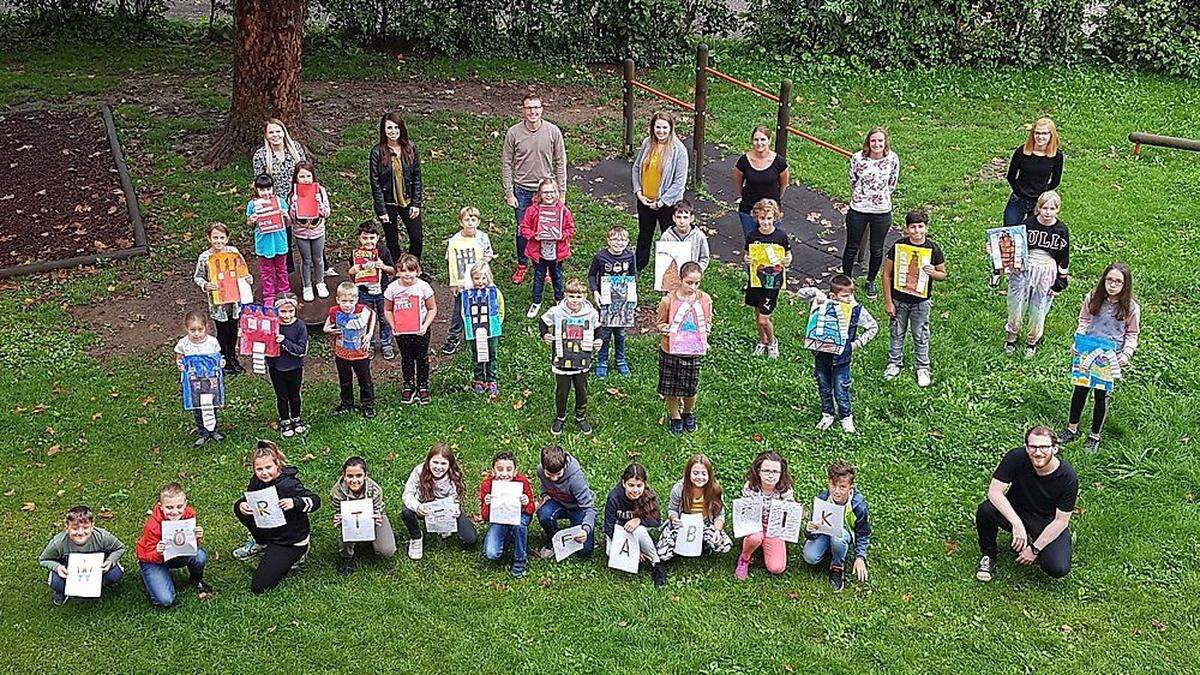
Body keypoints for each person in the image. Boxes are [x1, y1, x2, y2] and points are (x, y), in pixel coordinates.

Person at [975, 427, 1077, 582]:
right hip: (1017, 510)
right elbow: (994, 492)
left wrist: (1034, 549)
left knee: (1058, 568)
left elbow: (1061, 521)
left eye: (1044, 447)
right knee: (986, 510)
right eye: (1033, 447)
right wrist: (1016, 523)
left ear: (1055, 449)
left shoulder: (1068, 477)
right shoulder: (1016, 457)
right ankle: (988, 555)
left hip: (1046, 520)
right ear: (1027, 447)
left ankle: (1037, 543)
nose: (1038, 452)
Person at [1058, 263, 1140, 453]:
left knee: (1101, 395)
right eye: (1109, 280)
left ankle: (1094, 436)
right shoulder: (1092, 298)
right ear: (1104, 280)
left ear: (1125, 285)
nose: (1112, 284)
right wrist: (1078, 341)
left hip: (1109, 356)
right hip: (1087, 351)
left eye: (1118, 281)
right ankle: (1072, 428)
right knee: (1080, 390)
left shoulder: (1131, 308)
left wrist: (1126, 354)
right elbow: (1084, 320)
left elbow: (1132, 334)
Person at [233, 441, 321, 594]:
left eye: (268, 468)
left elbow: (315, 500)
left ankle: (299, 554)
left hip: (290, 540)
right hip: (270, 529)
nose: (264, 473)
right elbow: (251, 498)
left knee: (259, 587)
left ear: (277, 465)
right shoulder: (256, 481)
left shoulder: (289, 484)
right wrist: (243, 505)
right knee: (238, 507)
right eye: (259, 469)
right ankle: (261, 544)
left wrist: (294, 502)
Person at [797, 274, 878, 434]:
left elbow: (873, 327)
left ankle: (846, 417)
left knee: (841, 387)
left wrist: (858, 343)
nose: (849, 298)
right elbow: (800, 294)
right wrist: (815, 292)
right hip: (821, 356)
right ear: (833, 295)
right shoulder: (821, 303)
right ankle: (827, 414)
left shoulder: (856, 310)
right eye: (845, 295)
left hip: (842, 359)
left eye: (851, 294)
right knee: (823, 384)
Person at [501, 92, 567, 284]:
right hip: (522, 189)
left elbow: (560, 162)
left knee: (547, 229)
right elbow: (506, 162)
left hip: (546, 191)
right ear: (523, 110)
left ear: (542, 109)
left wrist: (561, 192)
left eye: (536, 107)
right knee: (523, 230)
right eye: (529, 107)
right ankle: (522, 264)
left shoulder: (553, 131)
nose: (533, 111)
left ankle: (546, 266)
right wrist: (509, 191)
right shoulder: (514, 133)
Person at [881, 211, 947, 387]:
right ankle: (894, 362)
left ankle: (922, 366)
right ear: (906, 228)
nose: (917, 230)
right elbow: (886, 275)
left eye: (920, 226)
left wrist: (934, 273)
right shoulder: (898, 247)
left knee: (920, 333)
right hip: (898, 299)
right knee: (897, 331)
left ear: (926, 227)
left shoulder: (933, 248)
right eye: (912, 227)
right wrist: (888, 301)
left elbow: (943, 274)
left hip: (921, 302)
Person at [996, 117, 1063, 288]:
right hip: (1019, 198)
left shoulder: (1056, 156)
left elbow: (1055, 181)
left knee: (1034, 236)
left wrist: (1042, 197)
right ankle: (1000, 269)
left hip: (1038, 202)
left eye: (1044, 134)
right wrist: (1019, 192)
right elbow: (1011, 175)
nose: (1040, 137)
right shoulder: (1022, 152)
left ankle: (1028, 272)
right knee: (1008, 234)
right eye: (1037, 133)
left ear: (1051, 135)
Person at [1005, 191, 1069, 358]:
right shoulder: (1028, 224)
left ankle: (1032, 341)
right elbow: (1015, 247)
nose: (1048, 212)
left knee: (1039, 306)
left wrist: (1060, 282)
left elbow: (1064, 257)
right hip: (1026, 267)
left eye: (1052, 208)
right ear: (1038, 208)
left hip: (1047, 269)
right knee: (1016, 302)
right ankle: (1011, 336)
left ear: (1058, 210)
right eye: (1045, 208)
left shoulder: (1061, 230)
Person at [842, 127, 899, 298]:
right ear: (868, 142)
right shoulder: (858, 158)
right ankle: (846, 280)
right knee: (852, 246)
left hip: (881, 210)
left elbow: (892, 182)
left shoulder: (892, 158)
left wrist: (880, 197)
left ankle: (870, 281)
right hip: (859, 208)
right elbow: (853, 180)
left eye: (880, 141)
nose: (877, 144)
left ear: (885, 143)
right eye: (873, 140)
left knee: (877, 248)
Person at [656, 261, 712, 434]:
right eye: (689, 282)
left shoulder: (705, 299)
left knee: (690, 387)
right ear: (681, 279)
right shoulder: (668, 300)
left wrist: (706, 331)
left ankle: (688, 412)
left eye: (697, 283)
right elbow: (660, 322)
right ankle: (675, 416)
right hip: (671, 349)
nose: (693, 287)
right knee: (670, 386)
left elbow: (708, 321)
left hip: (693, 351)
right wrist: (664, 329)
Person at [135, 482, 212, 607]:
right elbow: (148, 554)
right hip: (153, 560)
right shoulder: (152, 526)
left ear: (185, 504)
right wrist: (157, 552)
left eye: (179, 506)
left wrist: (196, 537)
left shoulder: (189, 515)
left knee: (200, 555)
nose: (175, 512)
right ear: (161, 506)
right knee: (165, 600)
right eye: (169, 508)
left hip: (176, 553)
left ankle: (196, 580)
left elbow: (191, 546)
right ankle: (148, 574)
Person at [539, 278, 599, 436]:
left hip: (582, 358)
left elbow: (599, 329)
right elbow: (543, 322)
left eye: (578, 297)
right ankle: (560, 416)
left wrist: (598, 340)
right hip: (561, 359)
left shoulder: (591, 313)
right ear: (565, 295)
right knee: (562, 391)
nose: (575, 300)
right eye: (572, 296)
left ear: (585, 297)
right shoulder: (556, 311)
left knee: (582, 389)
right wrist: (545, 334)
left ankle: (581, 417)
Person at [631, 111, 689, 271]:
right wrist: (638, 193)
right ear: (652, 128)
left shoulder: (679, 150)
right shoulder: (647, 143)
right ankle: (639, 265)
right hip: (645, 200)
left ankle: (670, 271)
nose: (661, 131)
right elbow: (636, 167)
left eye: (664, 127)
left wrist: (662, 201)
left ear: (671, 129)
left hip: (667, 204)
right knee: (644, 234)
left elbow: (679, 182)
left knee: (669, 236)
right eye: (658, 127)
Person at [801, 462, 872, 593]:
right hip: (823, 534)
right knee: (810, 557)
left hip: (842, 535)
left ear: (850, 488)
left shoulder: (858, 506)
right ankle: (829, 549)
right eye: (833, 485)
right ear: (828, 483)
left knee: (838, 537)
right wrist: (809, 531)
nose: (837, 491)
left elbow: (863, 533)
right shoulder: (822, 499)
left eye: (842, 487)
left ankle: (837, 566)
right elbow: (813, 529)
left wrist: (860, 557)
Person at [401, 443, 477, 560]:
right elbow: (407, 494)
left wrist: (455, 509)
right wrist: (417, 507)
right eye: (435, 462)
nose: (438, 467)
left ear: (449, 465)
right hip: (423, 507)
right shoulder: (419, 471)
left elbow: (455, 498)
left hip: (444, 509)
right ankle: (416, 537)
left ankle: (443, 526)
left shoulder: (453, 477)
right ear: (428, 461)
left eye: (443, 463)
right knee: (406, 512)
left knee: (470, 538)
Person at [39, 505, 126, 606]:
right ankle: (61, 592)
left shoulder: (102, 537)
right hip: (69, 570)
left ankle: (98, 586)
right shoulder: (58, 543)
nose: (80, 533)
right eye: (74, 528)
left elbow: (120, 548)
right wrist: (58, 567)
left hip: (97, 568)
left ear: (92, 526)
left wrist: (110, 561)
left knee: (115, 574)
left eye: (85, 528)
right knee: (56, 582)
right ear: (67, 527)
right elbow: (43, 559)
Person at [252, 118, 307, 275]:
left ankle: (320, 266)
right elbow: (260, 183)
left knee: (308, 232)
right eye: (271, 132)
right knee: (285, 237)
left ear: (284, 132)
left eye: (278, 131)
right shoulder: (260, 155)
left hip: (298, 197)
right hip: (276, 202)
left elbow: (304, 172)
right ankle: (288, 272)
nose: (275, 135)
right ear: (266, 135)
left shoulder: (295, 148)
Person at [192, 223, 248, 375]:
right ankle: (222, 360)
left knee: (233, 330)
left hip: (234, 301)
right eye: (215, 237)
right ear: (209, 238)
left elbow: (242, 270)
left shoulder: (233, 252)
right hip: (218, 303)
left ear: (227, 238)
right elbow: (197, 276)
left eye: (222, 238)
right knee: (222, 332)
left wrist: (247, 279)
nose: (218, 241)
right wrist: (205, 284)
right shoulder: (205, 257)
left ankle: (233, 357)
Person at [369, 112, 425, 262]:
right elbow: (375, 183)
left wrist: (416, 203)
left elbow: (417, 177)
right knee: (392, 240)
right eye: (389, 128)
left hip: (407, 201)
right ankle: (396, 269)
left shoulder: (411, 148)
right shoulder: (377, 152)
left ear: (401, 129)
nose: (393, 131)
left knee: (417, 238)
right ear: (384, 130)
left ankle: (414, 267)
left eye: (396, 127)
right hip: (388, 203)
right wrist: (381, 209)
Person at [655, 454, 732, 562]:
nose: (699, 477)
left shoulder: (715, 490)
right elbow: (672, 509)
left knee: (724, 545)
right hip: (683, 523)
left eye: (703, 474)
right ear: (688, 474)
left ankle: (703, 544)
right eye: (695, 473)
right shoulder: (679, 489)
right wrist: (674, 519)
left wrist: (717, 531)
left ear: (709, 475)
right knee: (662, 554)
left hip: (705, 523)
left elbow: (720, 515)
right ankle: (680, 545)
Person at [383, 253, 437, 405]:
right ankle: (408, 385)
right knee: (406, 357)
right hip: (402, 331)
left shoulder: (423, 287)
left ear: (418, 272)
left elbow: (432, 308)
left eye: (411, 271)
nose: (407, 274)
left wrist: (425, 325)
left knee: (422, 357)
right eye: (404, 270)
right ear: (398, 271)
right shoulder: (392, 288)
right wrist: (393, 326)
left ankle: (423, 385)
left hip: (421, 329)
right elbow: (387, 309)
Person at [441, 206, 495, 355]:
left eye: (473, 219)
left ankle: (480, 333)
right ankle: (454, 337)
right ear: (461, 222)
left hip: (479, 280)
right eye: (467, 220)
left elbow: (489, 254)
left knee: (480, 306)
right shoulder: (455, 241)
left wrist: (483, 261)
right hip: (462, 282)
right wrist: (453, 282)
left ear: (478, 221)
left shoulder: (482, 237)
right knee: (459, 310)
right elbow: (451, 262)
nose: (470, 223)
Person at [330, 456, 397, 576]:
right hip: (350, 519)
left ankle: (373, 541)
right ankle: (346, 557)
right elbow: (337, 511)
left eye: (359, 476)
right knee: (347, 528)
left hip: (372, 517)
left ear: (365, 476)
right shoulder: (336, 492)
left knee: (387, 550)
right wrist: (338, 519)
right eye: (349, 476)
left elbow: (377, 510)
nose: (354, 480)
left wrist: (376, 518)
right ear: (344, 476)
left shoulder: (375, 490)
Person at [603, 463, 667, 588]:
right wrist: (634, 551)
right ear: (623, 483)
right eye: (631, 485)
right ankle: (636, 555)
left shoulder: (647, 496)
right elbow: (608, 527)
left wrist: (638, 520)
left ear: (644, 484)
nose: (635, 490)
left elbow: (656, 521)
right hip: (619, 532)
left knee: (639, 531)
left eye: (639, 486)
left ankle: (656, 564)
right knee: (610, 552)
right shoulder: (614, 497)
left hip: (638, 530)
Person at [520, 178, 575, 318]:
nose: (549, 195)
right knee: (538, 277)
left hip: (557, 252)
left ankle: (559, 300)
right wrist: (534, 235)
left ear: (557, 193)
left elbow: (570, 228)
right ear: (539, 194)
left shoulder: (563, 210)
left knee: (557, 276)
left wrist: (562, 235)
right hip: (538, 252)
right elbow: (524, 228)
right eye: (545, 192)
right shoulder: (532, 210)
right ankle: (536, 302)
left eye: (552, 192)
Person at [734, 451, 795, 580]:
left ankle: (765, 548)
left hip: (774, 527)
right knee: (755, 538)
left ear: (781, 473)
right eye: (766, 470)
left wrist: (792, 512)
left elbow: (790, 511)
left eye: (775, 472)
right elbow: (745, 512)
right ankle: (744, 558)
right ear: (758, 470)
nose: (770, 475)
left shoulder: (785, 489)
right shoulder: (751, 487)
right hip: (754, 524)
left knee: (776, 568)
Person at [744, 198, 792, 358]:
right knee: (757, 313)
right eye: (762, 218)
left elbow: (787, 254)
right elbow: (747, 254)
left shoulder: (781, 236)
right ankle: (762, 340)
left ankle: (772, 342)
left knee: (764, 319)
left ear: (775, 218)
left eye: (769, 218)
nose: (765, 222)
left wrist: (787, 260)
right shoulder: (752, 236)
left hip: (772, 283)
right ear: (757, 217)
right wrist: (747, 259)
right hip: (756, 281)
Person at [587, 225, 636, 378]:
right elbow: (591, 275)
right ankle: (602, 361)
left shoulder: (630, 256)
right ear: (608, 241)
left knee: (620, 333)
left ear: (627, 241)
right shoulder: (600, 256)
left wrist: (633, 295)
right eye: (614, 239)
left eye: (622, 240)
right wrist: (595, 292)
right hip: (606, 300)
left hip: (622, 300)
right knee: (605, 332)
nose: (618, 243)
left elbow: (633, 275)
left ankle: (620, 360)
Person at [323, 281, 376, 418]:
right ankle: (346, 403)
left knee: (365, 380)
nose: (347, 304)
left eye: (351, 301)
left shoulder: (363, 310)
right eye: (344, 301)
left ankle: (368, 405)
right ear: (338, 300)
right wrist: (328, 329)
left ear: (356, 300)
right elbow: (326, 326)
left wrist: (370, 334)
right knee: (344, 380)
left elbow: (373, 314)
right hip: (342, 353)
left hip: (360, 353)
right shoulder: (334, 311)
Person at [480, 451, 537, 578]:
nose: (505, 474)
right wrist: (487, 504)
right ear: (493, 471)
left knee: (519, 525)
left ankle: (520, 559)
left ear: (515, 471)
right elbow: (484, 517)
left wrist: (526, 502)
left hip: (520, 515)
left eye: (509, 469)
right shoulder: (487, 485)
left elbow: (531, 509)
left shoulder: (521, 481)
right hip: (499, 518)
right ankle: (508, 536)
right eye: (500, 469)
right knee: (491, 553)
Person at [535, 445, 596, 560]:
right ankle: (553, 538)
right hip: (558, 502)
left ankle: (581, 528)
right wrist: (545, 495)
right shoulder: (540, 471)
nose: (553, 479)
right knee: (544, 514)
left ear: (564, 466)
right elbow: (544, 485)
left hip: (578, 507)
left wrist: (585, 529)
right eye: (549, 475)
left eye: (558, 474)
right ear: (543, 467)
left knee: (585, 551)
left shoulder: (575, 479)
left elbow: (589, 508)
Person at [347, 222, 396, 360]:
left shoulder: (383, 251)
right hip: (364, 291)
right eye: (365, 238)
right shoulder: (356, 255)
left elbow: (393, 271)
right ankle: (370, 344)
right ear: (359, 238)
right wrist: (352, 271)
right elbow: (352, 275)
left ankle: (386, 344)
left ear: (377, 238)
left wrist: (383, 266)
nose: (369, 241)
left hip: (382, 291)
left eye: (372, 238)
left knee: (384, 318)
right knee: (367, 318)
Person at [175, 310, 224, 446]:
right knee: (197, 406)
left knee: (211, 404)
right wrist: (180, 364)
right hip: (193, 381)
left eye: (200, 329)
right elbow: (179, 357)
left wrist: (221, 363)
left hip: (210, 379)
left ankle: (213, 430)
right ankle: (202, 432)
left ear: (206, 327)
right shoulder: (183, 343)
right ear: (186, 329)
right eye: (192, 330)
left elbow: (217, 357)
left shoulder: (212, 342)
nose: (196, 333)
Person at [733, 125, 789, 238]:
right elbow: (738, 182)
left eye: (763, 139)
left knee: (775, 243)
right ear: (752, 141)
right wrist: (746, 195)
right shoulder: (744, 161)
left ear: (769, 140)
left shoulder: (779, 162)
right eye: (756, 139)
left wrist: (774, 200)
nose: (759, 143)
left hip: (771, 211)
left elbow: (783, 184)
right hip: (748, 209)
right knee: (752, 243)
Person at [245, 173, 291, 306]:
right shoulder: (252, 205)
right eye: (262, 189)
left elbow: (288, 223)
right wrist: (251, 220)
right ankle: (269, 295)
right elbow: (249, 223)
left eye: (268, 189)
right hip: (264, 244)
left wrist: (286, 215)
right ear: (257, 190)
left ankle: (284, 292)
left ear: (273, 188)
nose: (266, 192)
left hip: (279, 242)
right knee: (266, 271)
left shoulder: (280, 201)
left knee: (282, 268)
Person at [287, 161, 331, 301]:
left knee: (318, 259)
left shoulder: (320, 191)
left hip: (318, 231)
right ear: (296, 178)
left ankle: (320, 282)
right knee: (306, 260)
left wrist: (319, 203)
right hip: (301, 233)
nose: (306, 180)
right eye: (302, 176)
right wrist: (294, 204)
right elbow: (291, 219)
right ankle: (307, 286)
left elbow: (327, 212)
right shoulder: (293, 194)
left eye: (308, 176)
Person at [267, 294, 308, 438]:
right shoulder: (271, 325)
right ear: (276, 310)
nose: (287, 315)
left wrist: (284, 341)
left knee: (295, 395)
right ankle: (285, 421)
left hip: (295, 367)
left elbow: (301, 350)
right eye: (283, 311)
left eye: (291, 311)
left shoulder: (300, 326)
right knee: (282, 396)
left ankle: (296, 418)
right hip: (276, 367)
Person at [461, 263, 505, 397]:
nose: (480, 282)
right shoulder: (468, 294)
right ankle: (479, 379)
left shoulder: (495, 292)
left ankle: (492, 379)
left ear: (489, 278)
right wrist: (469, 326)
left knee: (491, 353)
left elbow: (500, 309)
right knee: (477, 354)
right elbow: (464, 312)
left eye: (483, 278)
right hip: (475, 330)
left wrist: (497, 324)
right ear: (472, 279)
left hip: (491, 330)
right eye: (477, 278)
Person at [657, 199, 710, 271]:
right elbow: (661, 258)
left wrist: (697, 271)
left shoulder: (699, 236)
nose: (682, 221)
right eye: (679, 217)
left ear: (691, 218)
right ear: (673, 218)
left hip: (691, 276)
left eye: (685, 217)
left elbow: (704, 258)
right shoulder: (666, 236)